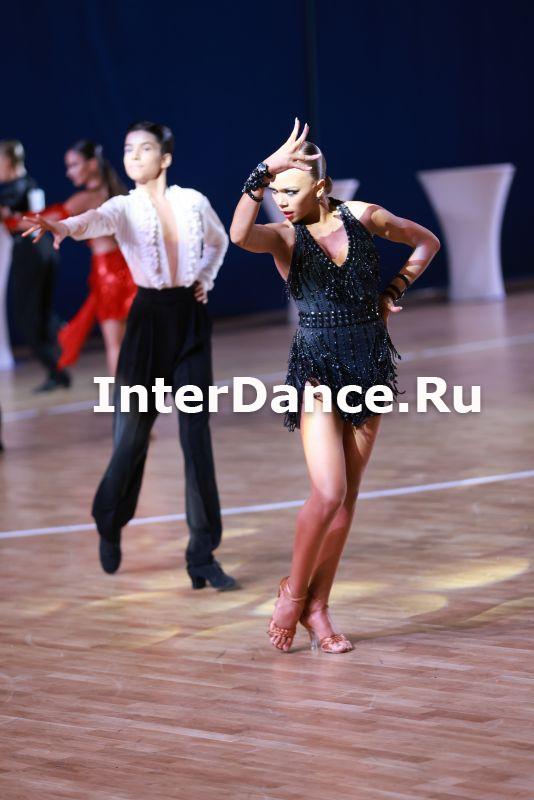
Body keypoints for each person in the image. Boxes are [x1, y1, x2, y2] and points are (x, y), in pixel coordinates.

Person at [230, 119, 440, 653]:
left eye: (290, 191)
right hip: (317, 371)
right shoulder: (283, 236)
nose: (281, 201)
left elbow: (427, 241)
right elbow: (238, 236)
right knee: (327, 492)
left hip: (369, 366)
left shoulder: (365, 217)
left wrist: (394, 288)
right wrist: (262, 173)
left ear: (322, 187)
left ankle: (319, 610)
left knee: (347, 501)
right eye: (276, 192)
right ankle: (293, 595)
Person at [23, 121, 237, 590]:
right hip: (147, 322)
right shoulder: (123, 206)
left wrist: (205, 277)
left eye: (144, 149)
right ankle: (109, 519)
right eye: (128, 149)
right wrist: (61, 227)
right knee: (132, 437)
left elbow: (219, 241)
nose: (134, 156)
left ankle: (202, 555)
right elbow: (90, 221)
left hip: (190, 320)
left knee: (196, 438)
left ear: (166, 158)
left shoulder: (193, 201)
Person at [29, 140, 138, 376]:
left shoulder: (86, 199)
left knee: (115, 345)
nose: (69, 172)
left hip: (109, 275)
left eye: (74, 165)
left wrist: (10, 218)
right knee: (135, 340)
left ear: (92, 164)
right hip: (133, 270)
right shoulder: (118, 192)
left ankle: (124, 396)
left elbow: (43, 219)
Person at [0, 139, 70, 392]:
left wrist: (12, 219)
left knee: (28, 317)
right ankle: (60, 357)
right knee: (39, 314)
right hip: (40, 251)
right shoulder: (23, 187)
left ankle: (59, 362)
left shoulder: (23, 187)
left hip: (33, 252)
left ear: (9, 161)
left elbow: (36, 222)